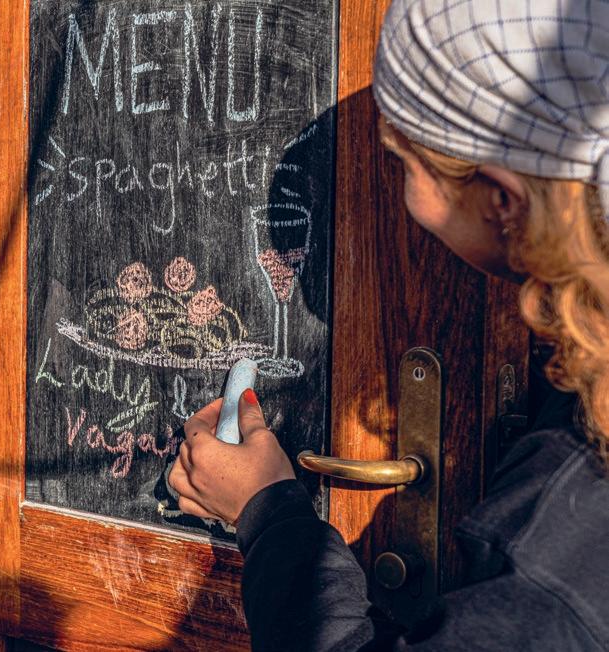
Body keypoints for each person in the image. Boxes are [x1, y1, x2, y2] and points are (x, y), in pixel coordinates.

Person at [168, 0, 609, 649]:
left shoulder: (554, 568)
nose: (396, 186)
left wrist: (267, 511)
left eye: (403, 162)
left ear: (501, 199)